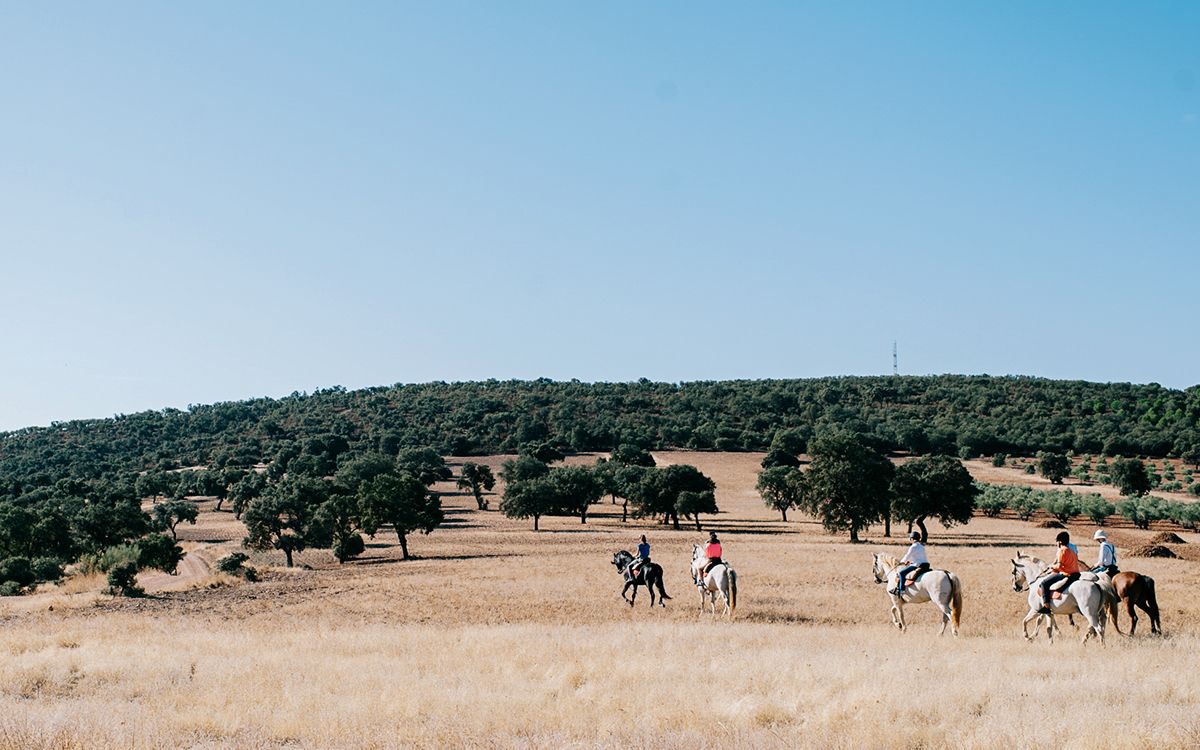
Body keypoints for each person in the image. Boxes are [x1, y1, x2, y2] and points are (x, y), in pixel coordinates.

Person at [1038, 531, 1080, 614]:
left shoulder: (1061, 550)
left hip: (1066, 574)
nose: (1056, 543)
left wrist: (1051, 566)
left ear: (1060, 542)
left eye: (1056, 541)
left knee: (1044, 583)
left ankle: (1046, 606)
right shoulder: (1072, 551)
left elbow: (1059, 566)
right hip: (1076, 574)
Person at [891, 531, 930, 596]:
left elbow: (907, 556)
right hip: (925, 564)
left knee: (901, 573)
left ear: (911, 538)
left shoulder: (913, 546)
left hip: (917, 565)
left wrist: (901, 562)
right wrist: (911, 562)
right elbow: (920, 557)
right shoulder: (921, 546)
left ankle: (901, 591)